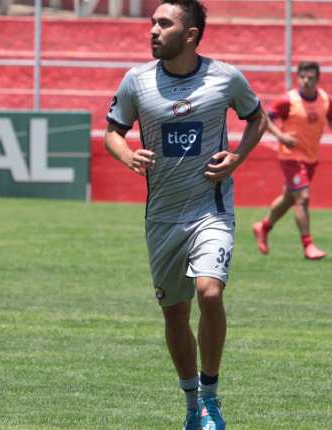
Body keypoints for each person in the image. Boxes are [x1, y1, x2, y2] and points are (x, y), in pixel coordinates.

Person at [103, 0, 266, 428]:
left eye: (164, 23)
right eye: (152, 22)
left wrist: (237, 158)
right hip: (162, 217)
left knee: (210, 293)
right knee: (175, 313)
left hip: (211, 208)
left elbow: (257, 119)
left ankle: (211, 397)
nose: (153, 30)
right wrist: (127, 154)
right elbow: (112, 133)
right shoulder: (136, 81)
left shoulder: (225, 78)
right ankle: (192, 403)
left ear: (190, 35)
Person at [252, 61, 332, 260]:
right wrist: (281, 137)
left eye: (310, 78)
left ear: (317, 80)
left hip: (311, 157)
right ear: (298, 78)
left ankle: (263, 227)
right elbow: (264, 118)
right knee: (302, 197)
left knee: (289, 198)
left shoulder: (324, 98)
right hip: (291, 157)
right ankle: (308, 245)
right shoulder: (289, 100)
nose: (306, 81)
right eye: (302, 77)